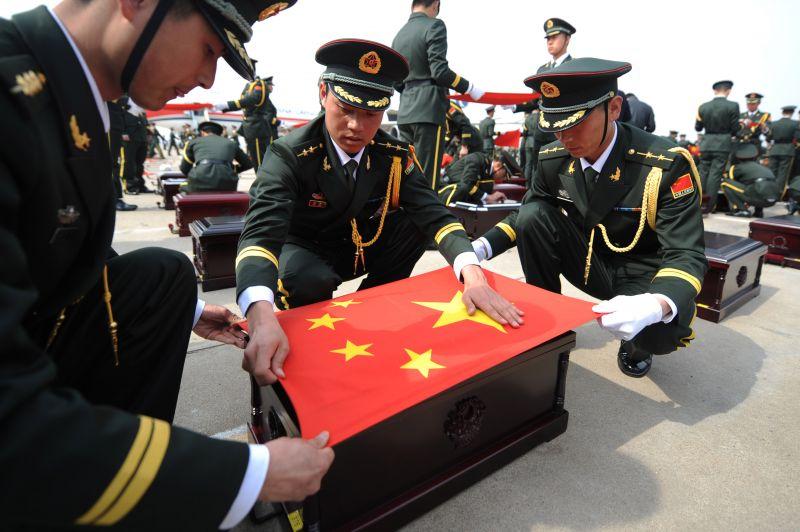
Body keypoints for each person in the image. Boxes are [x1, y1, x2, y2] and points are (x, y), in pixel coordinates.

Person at [0, 1, 336, 529]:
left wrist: (193, 311)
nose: (207, 79)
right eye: (208, 49)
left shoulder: (69, 95)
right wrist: (243, 477)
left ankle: (121, 485)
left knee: (166, 279)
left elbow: (57, 247)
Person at [235, 39, 524, 387]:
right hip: (306, 254)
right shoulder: (290, 154)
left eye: (371, 114)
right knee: (308, 279)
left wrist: (473, 275)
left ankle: (371, 310)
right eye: (346, 109)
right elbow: (260, 235)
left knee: (415, 221)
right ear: (323, 93)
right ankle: (312, 337)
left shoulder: (393, 154)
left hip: (360, 248)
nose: (356, 126)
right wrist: (260, 314)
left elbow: (436, 216)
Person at [472, 58, 707, 378]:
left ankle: (637, 345)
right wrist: (479, 248)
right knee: (533, 216)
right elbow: (527, 215)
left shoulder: (663, 165)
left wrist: (657, 304)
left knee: (663, 327)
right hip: (588, 264)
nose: (564, 137)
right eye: (556, 126)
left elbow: (686, 253)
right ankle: (548, 318)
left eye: (575, 124)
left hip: (642, 275)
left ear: (614, 108)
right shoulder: (553, 158)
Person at [392, 0, 485, 190]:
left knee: (407, 177)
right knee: (427, 180)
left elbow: (397, 81)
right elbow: (440, 72)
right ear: (435, 4)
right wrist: (469, 87)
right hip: (429, 110)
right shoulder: (434, 25)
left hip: (405, 111)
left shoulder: (399, 35)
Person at [511, 18, 575, 182]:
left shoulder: (574, 67)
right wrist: (513, 105)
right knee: (537, 173)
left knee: (562, 174)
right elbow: (535, 100)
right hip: (542, 130)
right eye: (548, 38)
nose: (550, 42)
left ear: (567, 39)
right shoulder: (542, 70)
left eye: (555, 37)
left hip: (564, 129)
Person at [695, 80, 741, 213]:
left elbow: (698, 127)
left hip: (706, 143)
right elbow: (735, 129)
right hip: (722, 144)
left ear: (715, 90)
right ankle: (709, 206)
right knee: (715, 175)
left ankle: (698, 202)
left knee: (703, 172)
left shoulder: (703, 106)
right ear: (728, 90)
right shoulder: (733, 106)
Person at [180, 121, 253, 191]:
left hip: (199, 180)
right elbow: (248, 164)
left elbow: (184, 168)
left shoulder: (193, 142)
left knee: (182, 187)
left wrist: (199, 171)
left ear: (202, 132)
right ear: (220, 134)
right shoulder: (231, 143)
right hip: (227, 182)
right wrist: (231, 169)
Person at [220, 74, 273, 168]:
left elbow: (252, 99)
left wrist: (229, 105)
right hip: (251, 127)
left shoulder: (259, 84)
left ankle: (264, 178)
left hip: (256, 126)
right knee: (257, 160)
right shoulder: (250, 85)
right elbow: (246, 101)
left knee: (260, 161)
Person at [721, 143, 781, 218]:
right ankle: (758, 212)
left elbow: (733, 184)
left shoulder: (737, 167)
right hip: (773, 200)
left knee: (725, 183)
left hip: (759, 198)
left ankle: (741, 210)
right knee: (758, 185)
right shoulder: (763, 167)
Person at [439, 142, 509, 205]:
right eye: (505, 175)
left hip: (460, 197)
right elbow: (466, 184)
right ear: (498, 165)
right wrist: (488, 197)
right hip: (445, 192)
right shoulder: (476, 159)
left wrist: (492, 197)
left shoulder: (488, 171)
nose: (503, 179)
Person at [108, 96, 137, 211]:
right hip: (110, 124)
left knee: (113, 163)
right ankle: (113, 199)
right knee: (110, 163)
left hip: (115, 123)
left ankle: (115, 198)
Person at [121, 102, 152, 194]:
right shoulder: (124, 102)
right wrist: (123, 133)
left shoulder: (141, 107)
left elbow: (145, 124)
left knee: (140, 164)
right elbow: (119, 119)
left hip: (141, 138)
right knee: (129, 163)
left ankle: (140, 185)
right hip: (129, 138)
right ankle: (129, 186)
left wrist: (147, 135)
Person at [767, 105, 799, 190]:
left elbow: (768, 138)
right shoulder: (795, 123)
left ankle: (769, 190)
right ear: (792, 113)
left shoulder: (774, 123)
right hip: (787, 150)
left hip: (774, 150)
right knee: (783, 173)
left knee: (772, 171)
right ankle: (779, 192)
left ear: (782, 112)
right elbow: (797, 137)